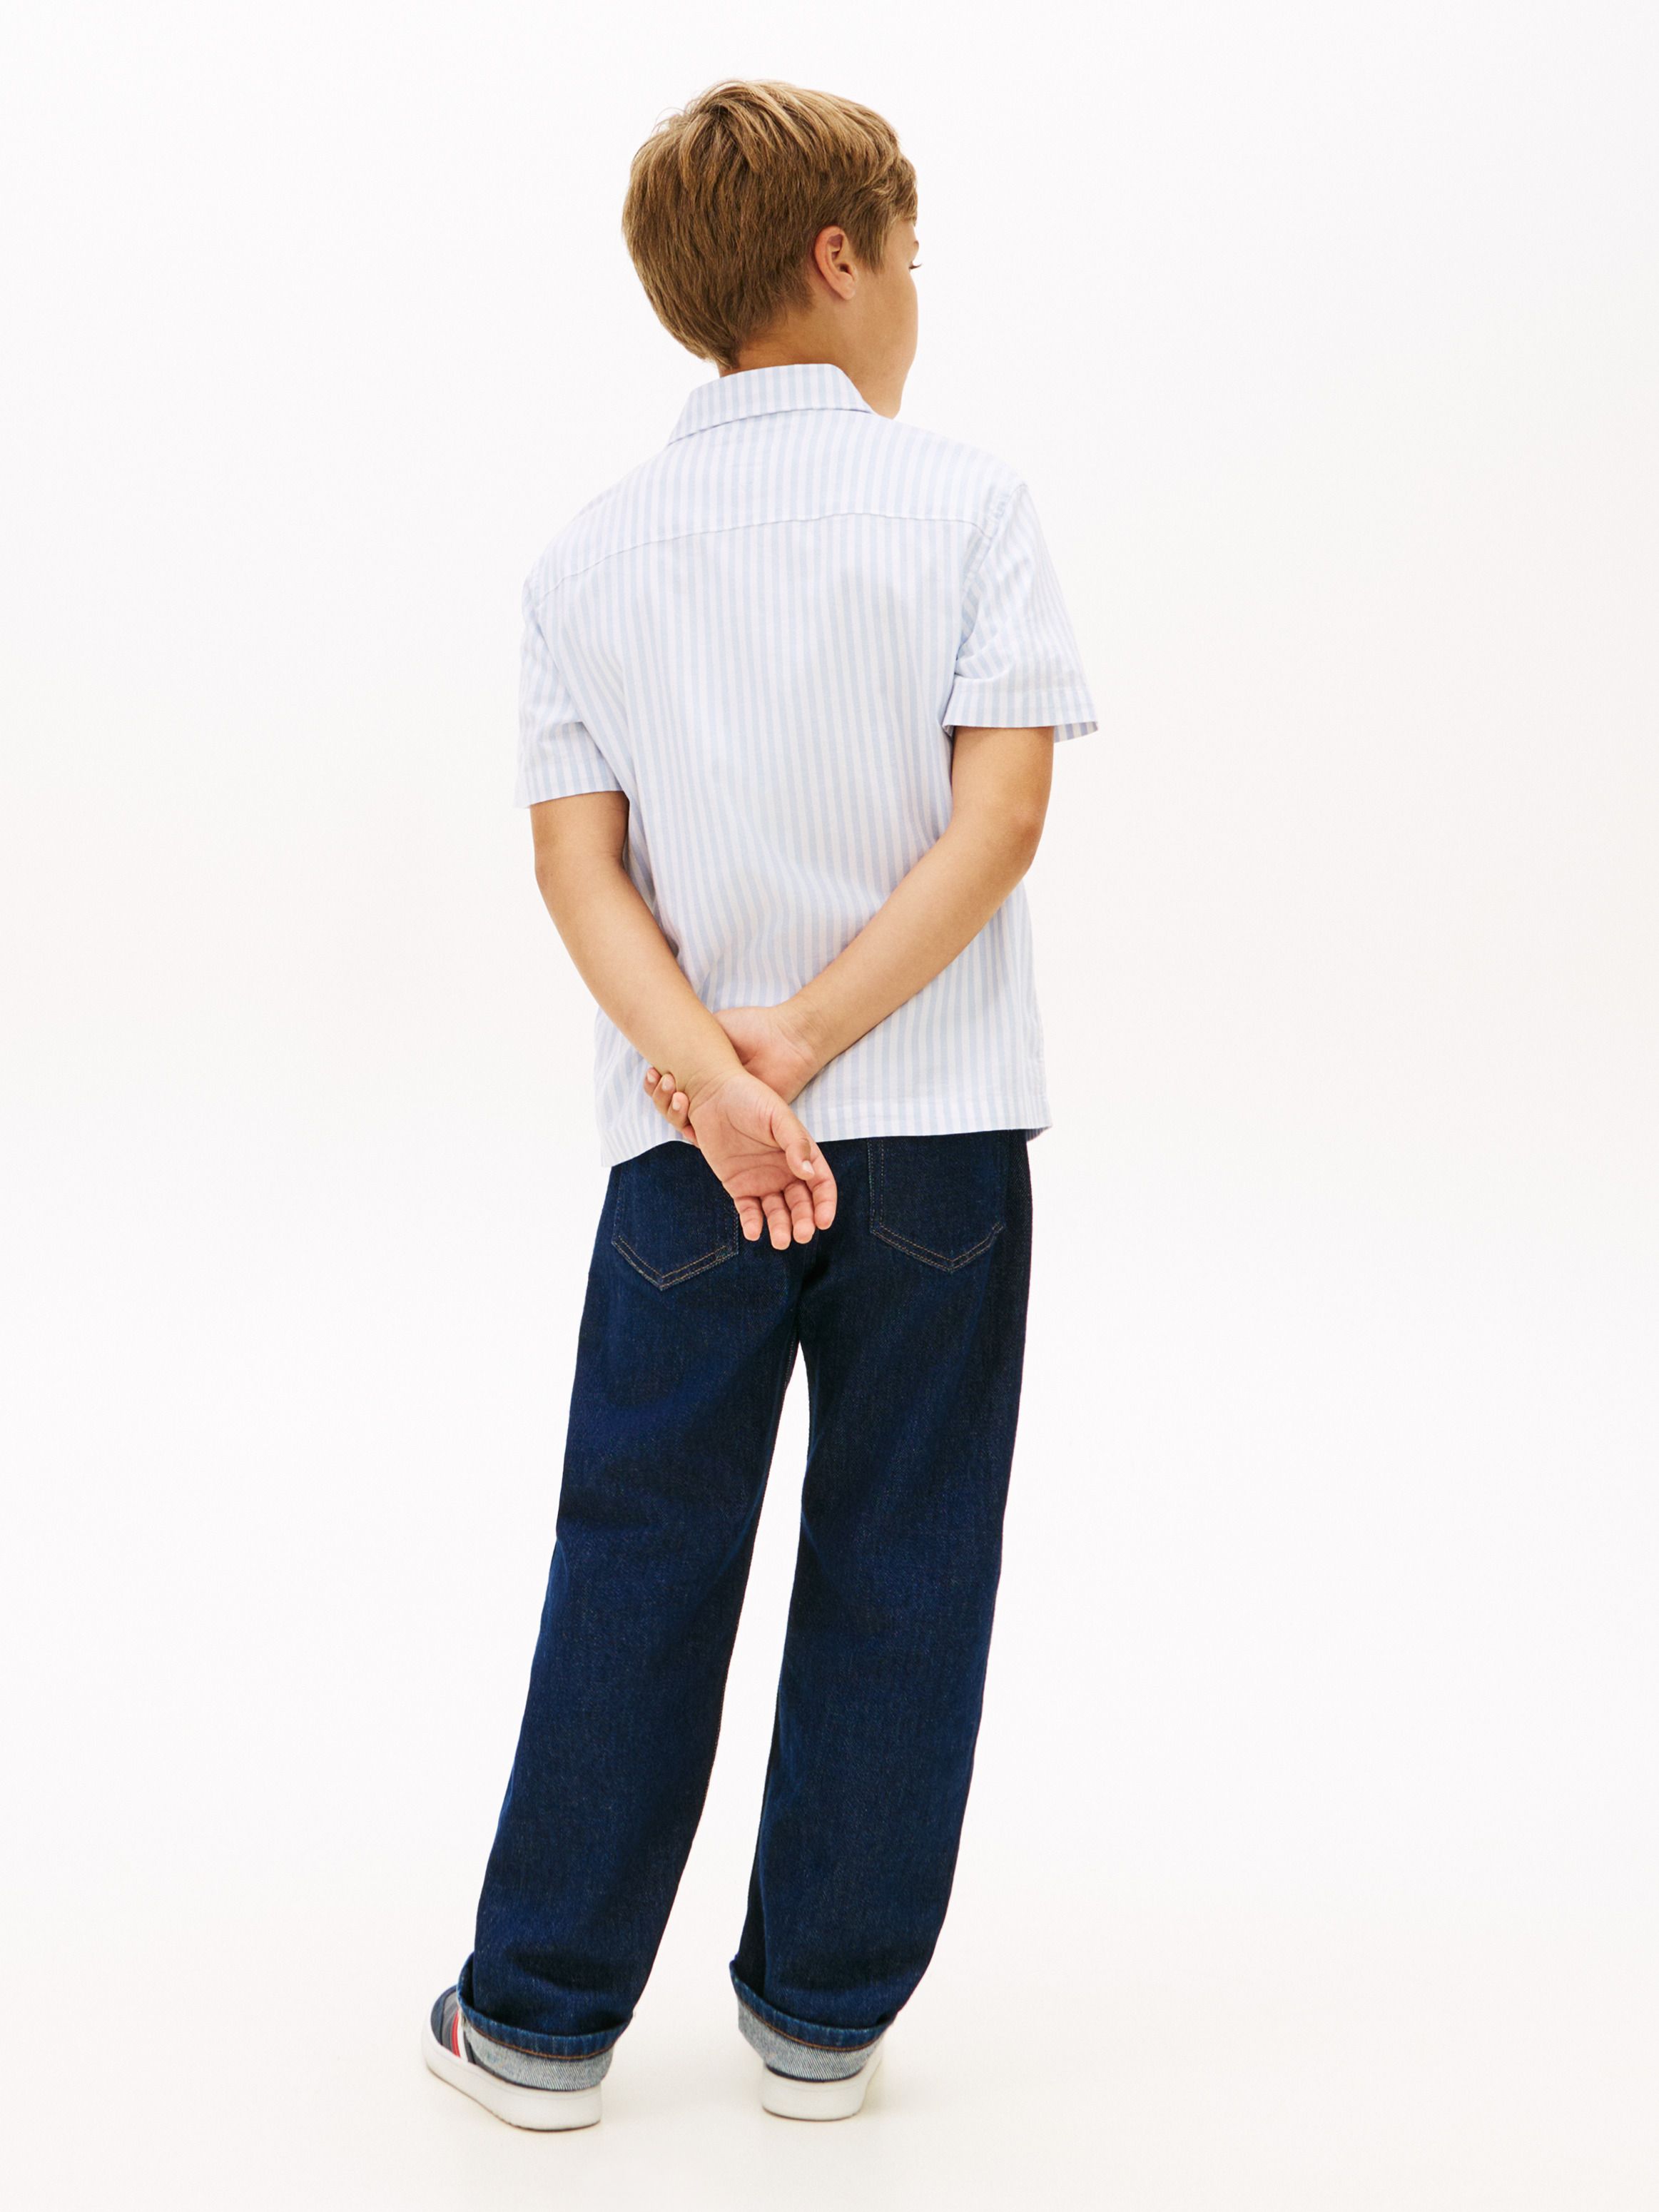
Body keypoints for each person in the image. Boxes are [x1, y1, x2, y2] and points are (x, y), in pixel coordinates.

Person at [424, 77, 1097, 2131]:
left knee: (640, 1547)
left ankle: (538, 2021)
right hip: (937, 1131)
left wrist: (720, 1073)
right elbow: (1001, 820)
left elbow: (579, 872)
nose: (918, 296)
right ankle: (821, 2019)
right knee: (907, 1546)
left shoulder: (589, 556)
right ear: (839, 257)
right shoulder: (967, 507)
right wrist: (800, 1043)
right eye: (911, 256)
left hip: (683, 1151)